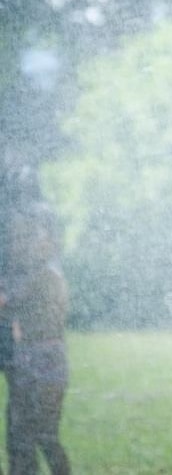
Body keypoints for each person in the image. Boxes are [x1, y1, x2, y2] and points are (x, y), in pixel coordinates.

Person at [0, 200, 72, 475]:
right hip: (43, 362)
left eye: (36, 237)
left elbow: (5, 301)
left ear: (49, 241)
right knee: (40, 435)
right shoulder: (46, 271)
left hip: (40, 364)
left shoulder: (43, 275)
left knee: (35, 434)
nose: (30, 243)